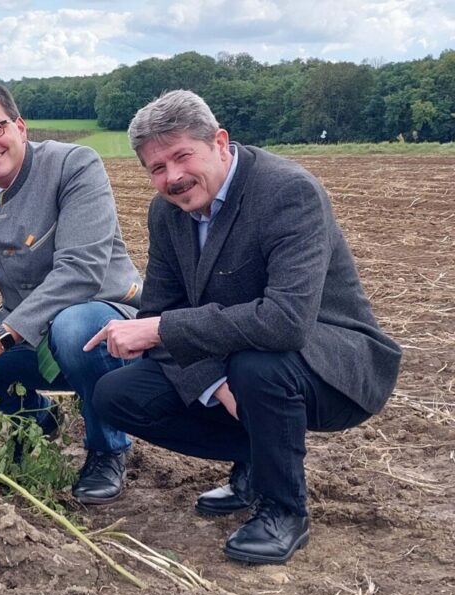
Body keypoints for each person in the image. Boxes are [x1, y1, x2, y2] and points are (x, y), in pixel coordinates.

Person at [87, 90, 401, 564]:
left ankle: (284, 510)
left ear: (219, 142)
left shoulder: (287, 192)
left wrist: (162, 330)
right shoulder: (167, 213)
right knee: (117, 394)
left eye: (182, 156)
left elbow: (286, 322)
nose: (172, 177)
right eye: (157, 168)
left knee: (257, 366)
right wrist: (215, 384)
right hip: (241, 360)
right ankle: (258, 458)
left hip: (333, 361)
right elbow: (163, 309)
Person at [0, 79, 143, 505]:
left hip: (103, 318)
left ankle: (108, 448)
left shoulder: (74, 165)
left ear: (20, 126)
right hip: (25, 329)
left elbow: (80, 272)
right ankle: (38, 416)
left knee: (74, 328)